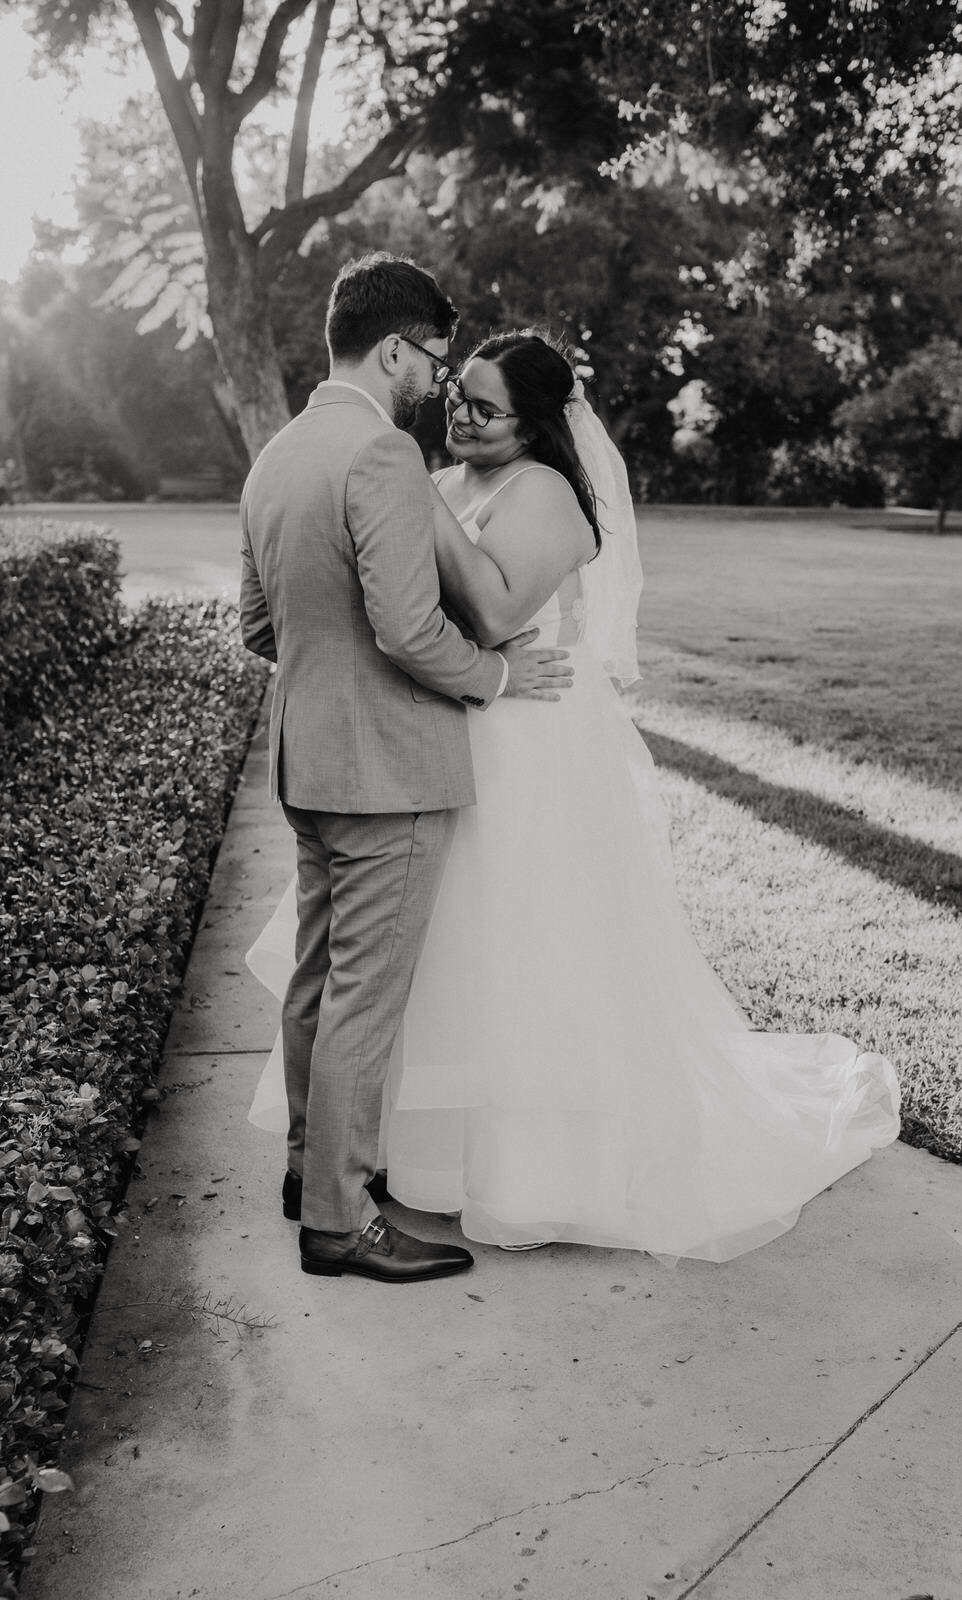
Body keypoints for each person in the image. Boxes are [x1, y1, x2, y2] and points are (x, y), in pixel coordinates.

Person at [249, 329, 900, 1263]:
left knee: (521, 950)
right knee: (419, 959)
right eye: (457, 398)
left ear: (538, 421)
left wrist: (411, 494)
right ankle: (385, 1164)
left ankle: (519, 1168)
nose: (459, 417)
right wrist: (414, 490)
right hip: (445, 731)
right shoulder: (430, 478)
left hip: (530, 749)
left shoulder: (546, 494)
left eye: (484, 407)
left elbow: (496, 612)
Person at [239, 262, 574, 1285]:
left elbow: (259, 626)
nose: (436, 379)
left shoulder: (278, 453)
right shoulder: (382, 451)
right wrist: (497, 676)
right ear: (394, 349)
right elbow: (408, 624)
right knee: (365, 1001)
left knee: (314, 982)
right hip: (390, 769)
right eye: (432, 357)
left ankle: (309, 1171)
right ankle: (341, 1220)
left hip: (308, 757)